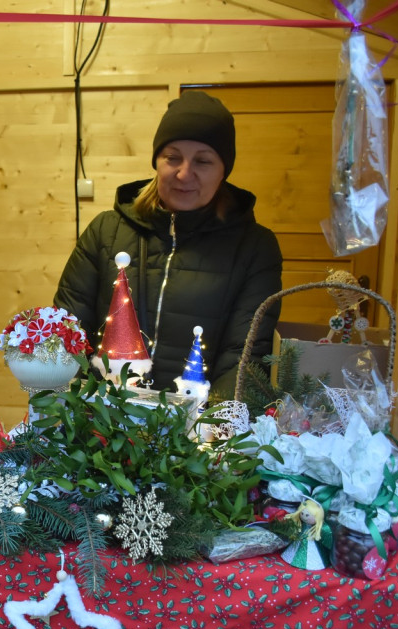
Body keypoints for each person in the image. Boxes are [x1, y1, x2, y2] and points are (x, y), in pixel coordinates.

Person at [54, 90, 282, 399]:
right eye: (172, 157)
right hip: (101, 425)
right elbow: (68, 330)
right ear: (157, 161)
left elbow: (244, 357)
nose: (184, 173)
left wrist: (209, 433)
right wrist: (81, 412)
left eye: (203, 161)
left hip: (196, 434)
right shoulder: (105, 231)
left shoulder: (255, 249)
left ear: (223, 171)